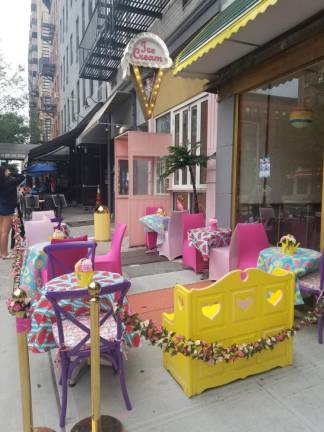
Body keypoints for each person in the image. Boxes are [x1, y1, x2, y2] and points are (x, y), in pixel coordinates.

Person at [0, 166, 25, 259]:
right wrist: (11, 174)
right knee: (5, 232)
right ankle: (4, 254)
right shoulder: (10, 182)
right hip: (8, 209)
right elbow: (22, 177)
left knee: (1, 231)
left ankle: (2, 252)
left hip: (1, 207)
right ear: (4, 173)